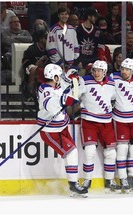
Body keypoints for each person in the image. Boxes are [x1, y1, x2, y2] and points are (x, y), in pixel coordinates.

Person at [37, 63, 88, 197]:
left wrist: (72, 77)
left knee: (71, 153)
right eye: (58, 76)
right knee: (71, 153)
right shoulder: (45, 89)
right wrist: (63, 100)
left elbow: (71, 87)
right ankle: (73, 185)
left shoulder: (58, 85)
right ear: (54, 77)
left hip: (62, 127)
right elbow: (49, 104)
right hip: (51, 131)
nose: (60, 78)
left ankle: (73, 184)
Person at [78, 60, 122, 193]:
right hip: (89, 120)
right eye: (95, 70)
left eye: (99, 70)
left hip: (106, 121)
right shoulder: (84, 81)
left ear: (104, 72)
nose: (97, 73)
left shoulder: (111, 83)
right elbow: (75, 95)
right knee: (89, 151)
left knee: (111, 152)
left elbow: (114, 97)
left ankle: (110, 180)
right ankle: (87, 180)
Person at [112, 58, 133, 193]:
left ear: (132, 70)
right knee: (122, 148)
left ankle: (132, 176)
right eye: (122, 69)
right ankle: (123, 178)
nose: (123, 71)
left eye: (126, 69)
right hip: (120, 119)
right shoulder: (114, 77)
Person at [22, 29, 49, 100]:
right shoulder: (31, 49)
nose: (48, 41)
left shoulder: (50, 49)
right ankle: (30, 92)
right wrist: (35, 64)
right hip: (31, 68)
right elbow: (25, 61)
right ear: (40, 39)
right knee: (33, 68)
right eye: (46, 38)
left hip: (45, 69)